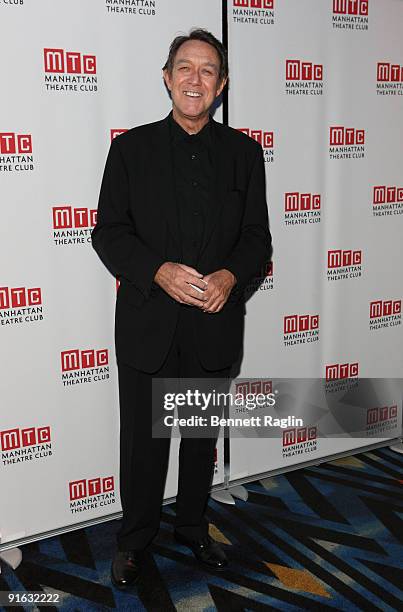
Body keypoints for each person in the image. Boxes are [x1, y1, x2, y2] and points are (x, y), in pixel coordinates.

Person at [92, 28, 271, 588]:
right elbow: (109, 234)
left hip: (214, 325)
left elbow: (257, 239)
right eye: (185, 68)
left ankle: (193, 528)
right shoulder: (130, 149)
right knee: (143, 447)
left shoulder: (244, 154)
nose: (196, 79)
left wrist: (230, 275)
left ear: (221, 86)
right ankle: (134, 542)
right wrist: (158, 271)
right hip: (149, 324)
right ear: (167, 78)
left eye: (208, 70)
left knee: (199, 445)